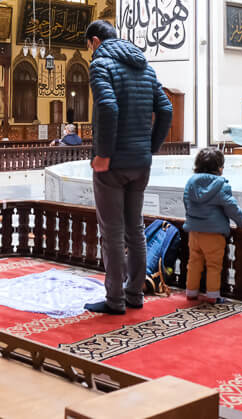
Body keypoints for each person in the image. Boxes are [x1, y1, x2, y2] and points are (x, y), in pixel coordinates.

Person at [84, 19, 173, 315]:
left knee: (112, 232)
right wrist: (151, 148)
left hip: (113, 164)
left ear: (94, 41)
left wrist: (104, 154)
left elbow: (108, 106)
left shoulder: (100, 65)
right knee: (135, 228)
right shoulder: (145, 67)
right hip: (140, 162)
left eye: (88, 47)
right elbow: (166, 109)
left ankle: (114, 300)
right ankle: (134, 293)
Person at [183, 147, 242, 304]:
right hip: (214, 234)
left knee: (193, 263)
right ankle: (213, 296)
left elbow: (186, 203)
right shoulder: (221, 185)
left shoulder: (190, 183)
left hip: (194, 232)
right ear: (220, 168)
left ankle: (191, 292)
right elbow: (231, 208)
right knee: (214, 266)